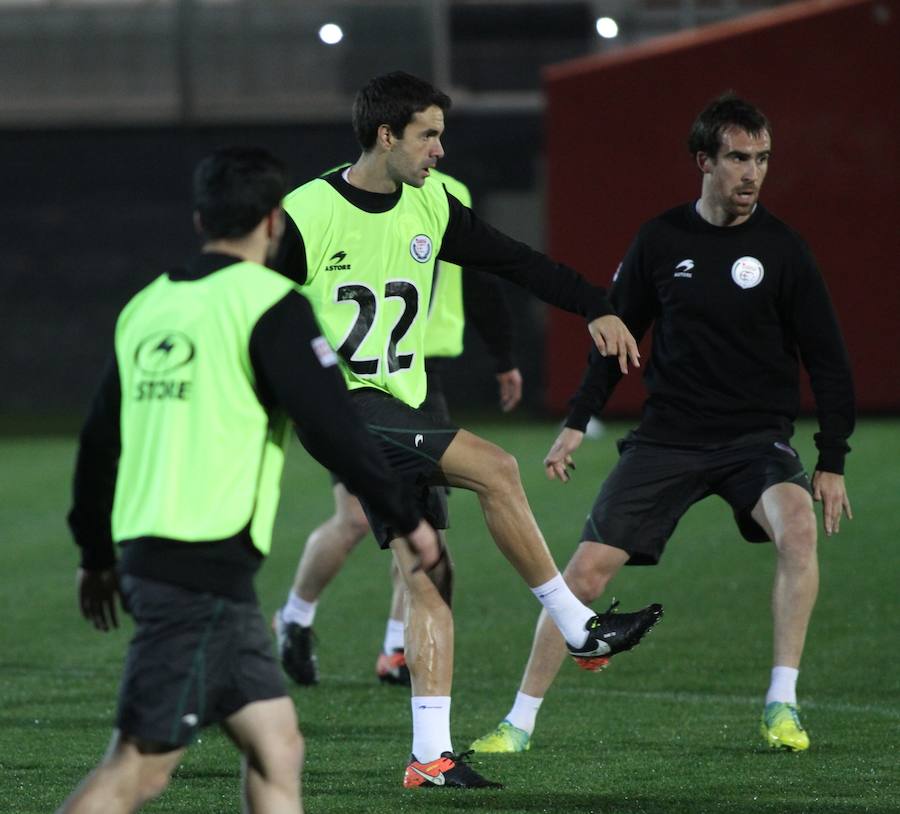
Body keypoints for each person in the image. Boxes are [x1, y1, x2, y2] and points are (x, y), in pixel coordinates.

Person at [274, 71, 663, 790]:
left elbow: (515, 263)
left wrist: (596, 306)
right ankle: (578, 627)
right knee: (497, 467)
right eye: (428, 135)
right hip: (345, 410)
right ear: (386, 136)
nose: (440, 151)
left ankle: (430, 757)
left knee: (430, 578)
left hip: (408, 405)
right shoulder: (307, 212)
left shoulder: (431, 206)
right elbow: (252, 309)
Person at [469, 92, 855, 757]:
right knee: (582, 577)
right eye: (738, 158)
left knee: (797, 531)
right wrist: (576, 421)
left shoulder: (784, 249)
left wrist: (833, 458)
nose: (752, 173)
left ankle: (781, 704)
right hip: (668, 439)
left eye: (762, 158)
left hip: (755, 442)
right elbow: (615, 336)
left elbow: (828, 359)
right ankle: (518, 721)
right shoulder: (661, 240)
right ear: (704, 160)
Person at [59, 146, 438, 814]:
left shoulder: (148, 304)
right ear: (273, 223)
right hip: (195, 572)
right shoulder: (273, 304)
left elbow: (97, 444)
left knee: (276, 745)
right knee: (138, 771)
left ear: (202, 217)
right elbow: (335, 427)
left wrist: (95, 556)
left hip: (171, 563)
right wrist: (406, 520)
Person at [273, 168, 524, 688]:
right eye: (426, 132)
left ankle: (395, 647)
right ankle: (295, 617)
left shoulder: (448, 195)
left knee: (420, 524)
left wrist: (502, 354)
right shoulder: (333, 200)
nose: (434, 148)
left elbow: (479, 274)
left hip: (419, 377)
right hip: (357, 384)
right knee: (356, 519)